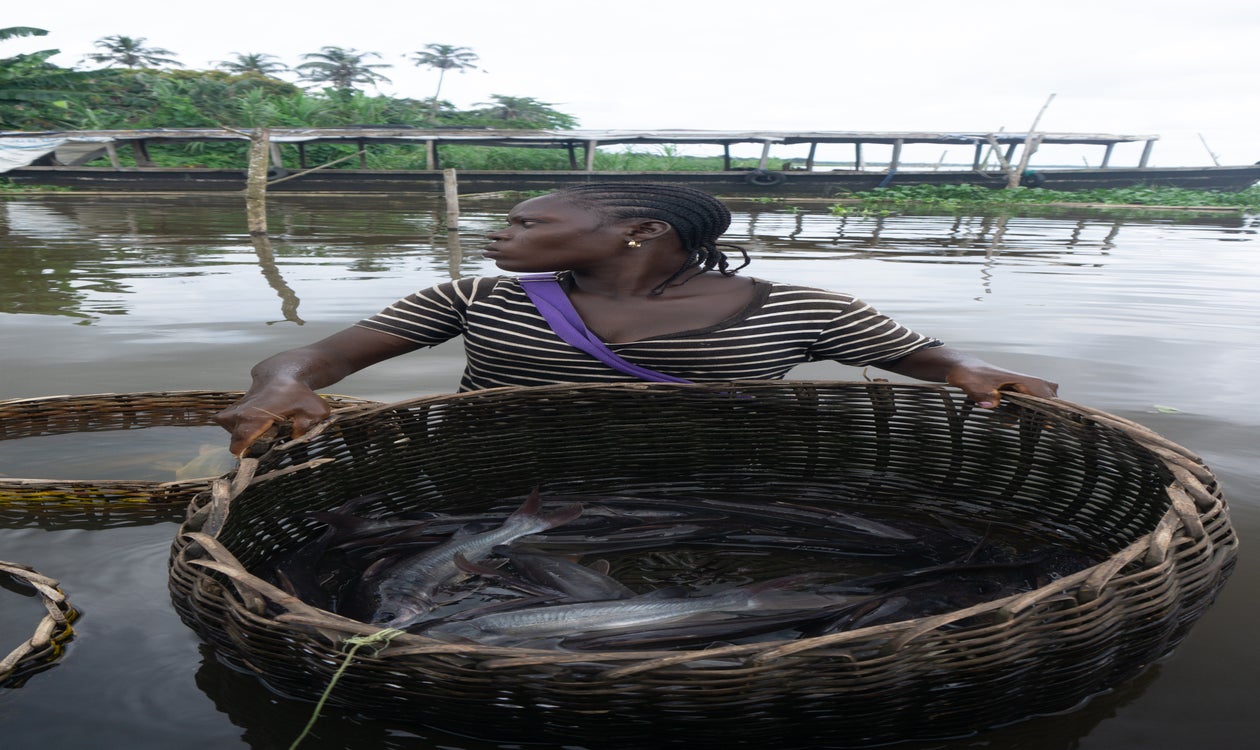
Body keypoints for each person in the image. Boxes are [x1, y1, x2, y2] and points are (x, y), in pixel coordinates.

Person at [214, 183, 1058, 456]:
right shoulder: (473, 298)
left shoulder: (803, 310)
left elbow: (922, 355)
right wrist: (283, 386)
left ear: (640, 231)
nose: (498, 236)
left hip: (709, 474)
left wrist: (968, 371)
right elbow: (315, 359)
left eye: (525, 223)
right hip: (496, 474)